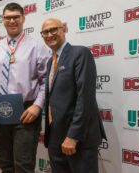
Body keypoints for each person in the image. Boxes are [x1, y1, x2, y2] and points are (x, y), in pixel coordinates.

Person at [0, 2, 50, 173]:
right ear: (3, 21)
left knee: (23, 166)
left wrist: (38, 105)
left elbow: (46, 80)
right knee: (5, 166)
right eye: (8, 18)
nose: (12, 21)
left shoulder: (37, 46)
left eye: (16, 17)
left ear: (23, 19)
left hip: (26, 111)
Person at [41, 18, 107, 173]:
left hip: (78, 139)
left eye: (53, 29)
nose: (49, 34)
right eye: (45, 32)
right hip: (55, 139)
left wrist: (73, 136)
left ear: (63, 29)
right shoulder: (50, 62)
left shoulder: (80, 53)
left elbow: (85, 97)